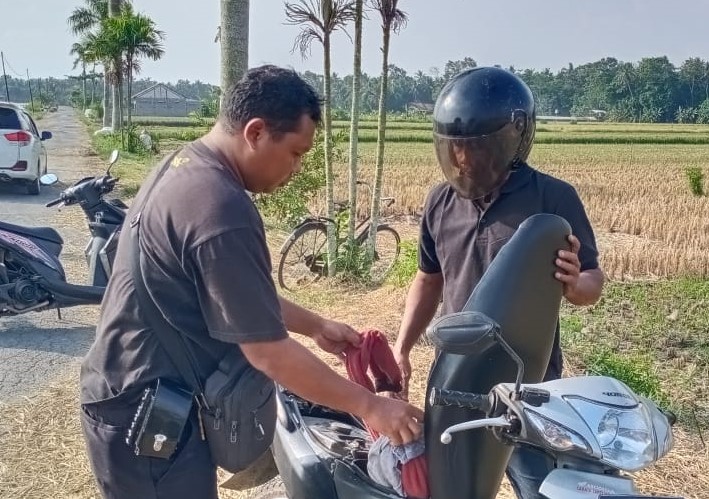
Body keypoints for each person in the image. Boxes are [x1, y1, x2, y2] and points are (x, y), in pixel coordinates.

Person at [79, 65, 423, 499]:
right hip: (144, 415)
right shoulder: (220, 208)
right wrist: (371, 405)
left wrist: (315, 326)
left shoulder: (185, 165)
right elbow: (269, 354)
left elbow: (234, 292)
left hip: (131, 396)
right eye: (296, 153)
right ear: (256, 132)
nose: (297, 168)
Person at [392, 66, 605, 498]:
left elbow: (592, 281)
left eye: (476, 148)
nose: (464, 160)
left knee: (536, 484)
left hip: (529, 380)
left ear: (512, 141)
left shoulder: (552, 199)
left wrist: (574, 285)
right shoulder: (439, 201)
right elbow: (428, 280)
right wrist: (402, 347)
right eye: (455, 149)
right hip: (456, 375)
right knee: (455, 485)